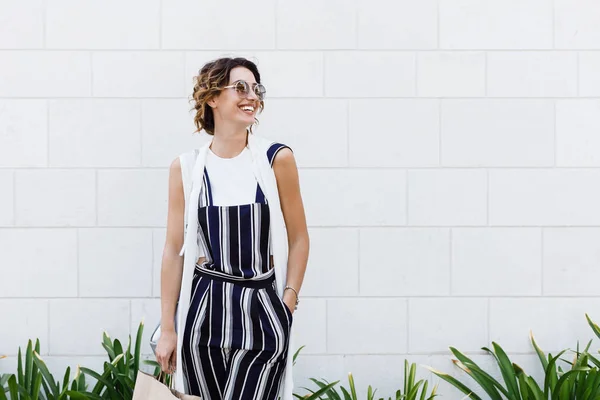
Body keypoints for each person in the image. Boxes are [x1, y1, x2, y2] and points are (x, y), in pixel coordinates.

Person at [155, 56, 309, 399]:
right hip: (203, 314)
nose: (251, 96)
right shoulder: (187, 168)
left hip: (262, 309)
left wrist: (287, 302)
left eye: (256, 88)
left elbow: (299, 238)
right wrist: (168, 328)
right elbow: (173, 249)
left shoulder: (276, 159)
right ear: (212, 98)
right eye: (239, 87)